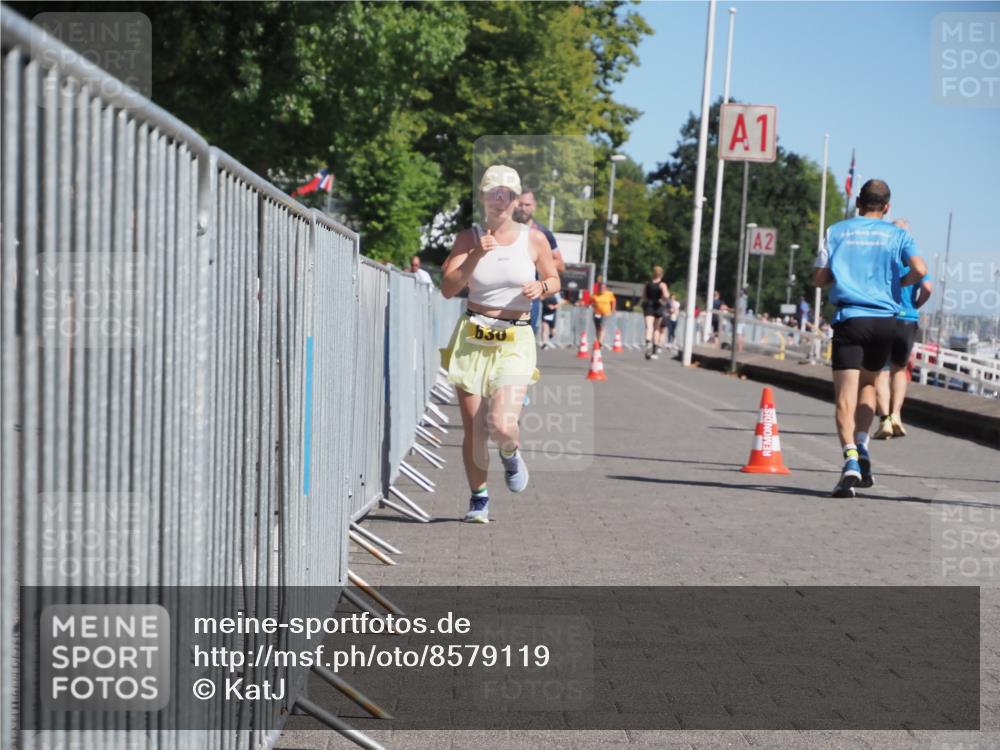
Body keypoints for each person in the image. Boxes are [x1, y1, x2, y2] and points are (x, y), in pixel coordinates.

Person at [440, 165, 560, 523]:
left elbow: (553, 278)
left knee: (502, 423)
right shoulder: (467, 237)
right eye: (493, 193)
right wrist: (477, 253)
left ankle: (510, 453)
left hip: (514, 337)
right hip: (473, 335)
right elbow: (448, 289)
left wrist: (542, 287)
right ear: (483, 198)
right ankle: (479, 499)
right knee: (475, 429)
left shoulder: (534, 239)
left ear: (515, 199)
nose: (499, 199)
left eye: (506, 194)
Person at [813, 179, 927, 498]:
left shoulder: (837, 231)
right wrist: (898, 282)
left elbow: (820, 277)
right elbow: (920, 268)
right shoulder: (898, 234)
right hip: (885, 322)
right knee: (869, 385)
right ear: (887, 207)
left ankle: (849, 458)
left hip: (851, 318)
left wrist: (841, 273)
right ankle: (863, 447)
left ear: (858, 202)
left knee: (843, 396)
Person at [873, 219, 933, 439]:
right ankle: (897, 414)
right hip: (908, 319)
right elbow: (928, 288)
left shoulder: (884, 258)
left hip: (885, 317)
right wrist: (915, 305)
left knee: (881, 370)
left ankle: (885, 420)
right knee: (900, 370)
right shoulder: (915, 260)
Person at [513, 191, 565, 337]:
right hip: (502, 295)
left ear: (534, 206)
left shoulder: (543, 233)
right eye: (520, 204)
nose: (523, 208)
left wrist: (536, 261)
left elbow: (560, 264)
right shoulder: (503, 230)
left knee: (524, 341)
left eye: (527, 205)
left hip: (529, 296)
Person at [641, 266, 669, 360]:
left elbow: (643, 296)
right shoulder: (662, 285)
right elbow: (666, 295)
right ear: (661, 274)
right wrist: (662, 299)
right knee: (656, 329)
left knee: (649, 327)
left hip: (649, 305)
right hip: (658, 305)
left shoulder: (647, 283)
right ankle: (654, 350)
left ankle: (648, 341)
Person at [590, 282, 616, 346]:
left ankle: (600, 341)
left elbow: (613, 301)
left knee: (602, 326)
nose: (602, 289)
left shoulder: (609, 294)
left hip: (606, 313)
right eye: (601, 288)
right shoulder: (594, 294)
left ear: (605, 288)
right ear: (598, 288)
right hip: (597, 313)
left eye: (603, 288)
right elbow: (591, 302)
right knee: (597, 327)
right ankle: (597, 339)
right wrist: (593, 305)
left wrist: (613, 309)